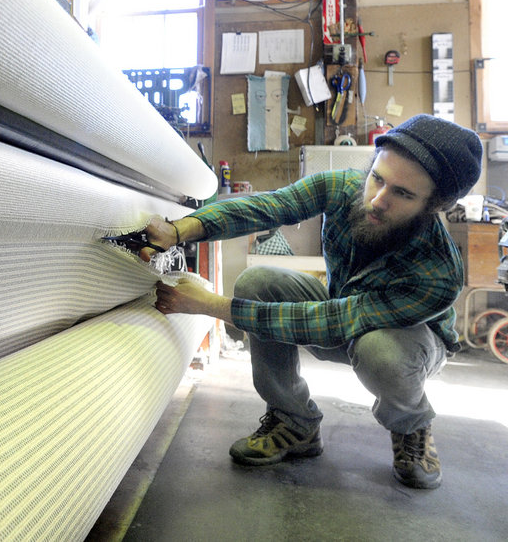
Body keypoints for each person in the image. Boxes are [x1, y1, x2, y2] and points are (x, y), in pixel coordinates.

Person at [140, 114, 482, 490]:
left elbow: (333, 324)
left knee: (379, 351)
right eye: (377, 178)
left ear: (435, 205)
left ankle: (411, 427)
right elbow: (267, 207)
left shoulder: (438, 273)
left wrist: (210, 306)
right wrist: (178, 230)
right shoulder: (342, 188)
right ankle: (294, 421)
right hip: (343, 306)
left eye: (402, 193)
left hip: (409, 341)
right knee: (258, 282)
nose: (378, 200)